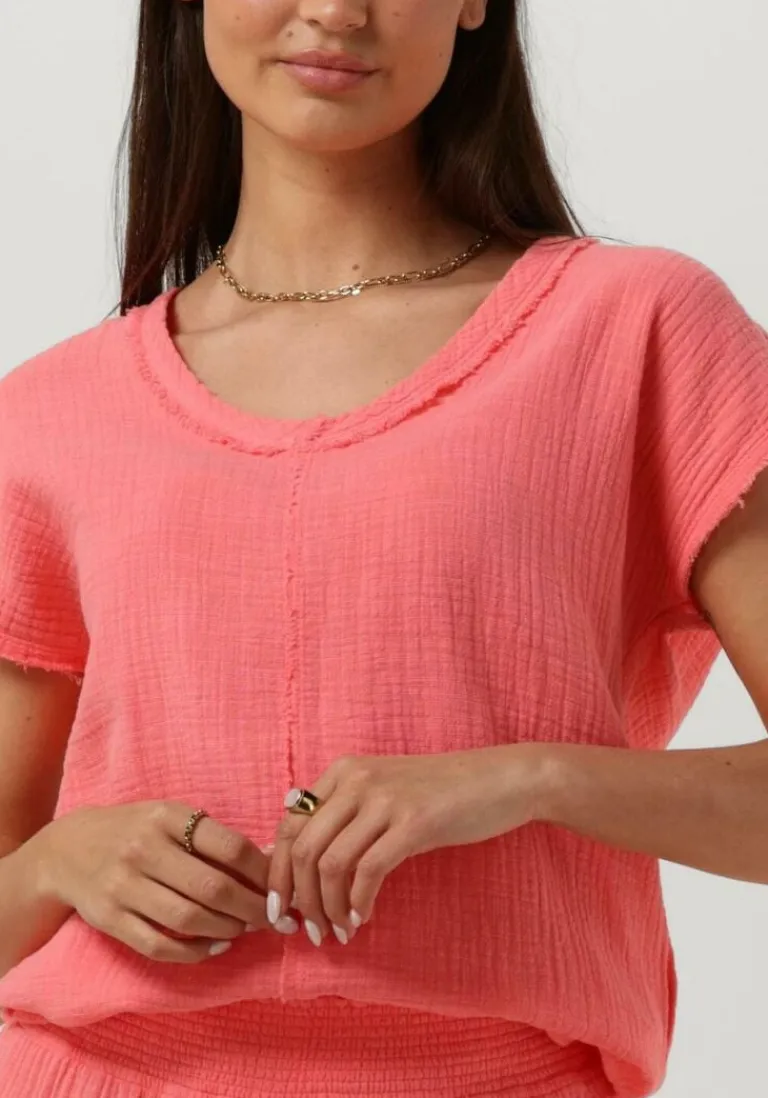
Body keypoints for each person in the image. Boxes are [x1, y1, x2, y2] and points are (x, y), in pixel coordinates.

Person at [1, 1, 767, 1096]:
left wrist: (529, 778)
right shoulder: (50, 414)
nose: (333, 11)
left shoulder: (637, 329)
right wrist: (56, 864)